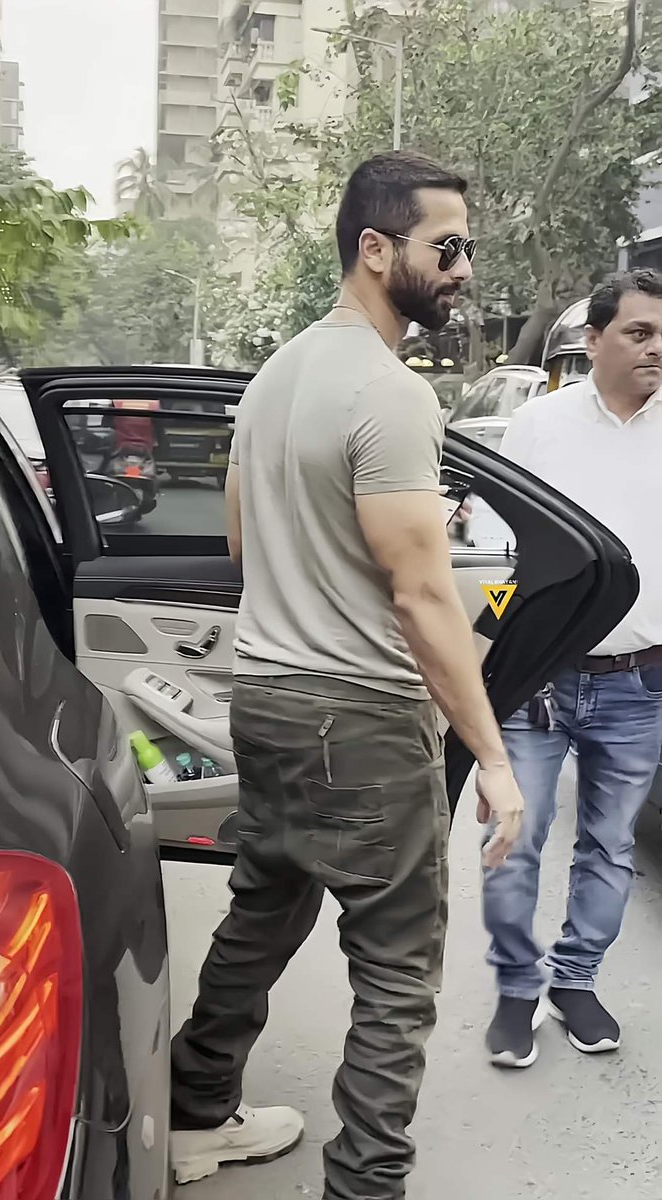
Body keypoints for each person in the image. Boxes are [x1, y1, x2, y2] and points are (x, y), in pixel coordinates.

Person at [169, 151, 525, 1196]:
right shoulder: (389, 395)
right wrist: (494, 759)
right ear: (377, 249)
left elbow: (242, 548)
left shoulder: (274, 374)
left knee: (262, 912)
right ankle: (364, 1183)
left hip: (267, 698)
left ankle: (195, 1116)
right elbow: (421, 596)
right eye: (445, 246)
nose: (462, 267)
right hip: (361, 718)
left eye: (467, 247)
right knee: (399, 975)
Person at [484, 268, 662, 1068]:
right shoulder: (538, 424)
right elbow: (493, 548)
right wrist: (496, 641)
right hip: (541, 679)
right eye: (638, 332)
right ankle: (516, 994)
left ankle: (574, 981)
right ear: (592, 342)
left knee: (610, 845)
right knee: (514, 839)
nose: (655, 348)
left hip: (641, 681)